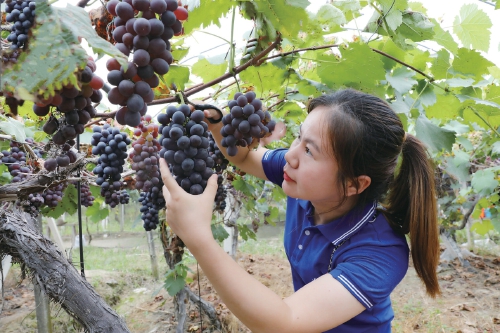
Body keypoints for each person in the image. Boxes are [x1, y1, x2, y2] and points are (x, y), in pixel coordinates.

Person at [159, 89, 440, 333]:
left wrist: (198, 238)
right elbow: (246, 157)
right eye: (298, 138)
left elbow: (284, 322)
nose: (290, 155)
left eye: (310, 151)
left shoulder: (381, 251)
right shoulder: (304, 182)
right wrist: (217, 126)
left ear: (355, 184)